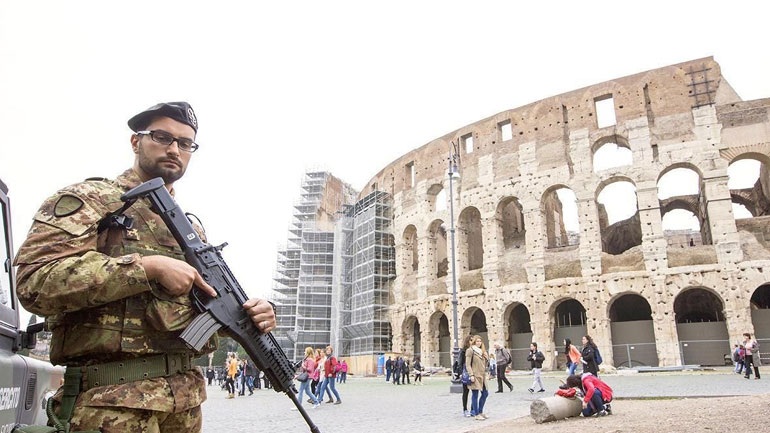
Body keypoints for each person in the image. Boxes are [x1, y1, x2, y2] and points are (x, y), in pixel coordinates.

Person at [14, 101, 277, 432]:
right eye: (162, 137)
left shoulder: (190, 229)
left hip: (183, 407)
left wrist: (249, 314)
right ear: (135, 142)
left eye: (185, 143)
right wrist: (145, 268)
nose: (174, 149)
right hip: (109, 403)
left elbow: (198, 310)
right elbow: (34, 283)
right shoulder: (90, 200)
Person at [465, 335, 490, 421]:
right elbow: (467, 364)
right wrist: (471, 375)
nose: (479, 343)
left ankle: (480, 411)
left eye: (480, 341)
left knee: (485, 393)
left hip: (482, 375)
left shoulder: (482, 351)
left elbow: (485, 365)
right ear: (474, 342)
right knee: (475, 394)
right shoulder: (470, 350)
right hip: (475, 375)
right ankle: (476, 413)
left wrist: (487, 358)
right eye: (477, 341)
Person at [456, 335, 473, 417]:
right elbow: (459, 363)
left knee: (475, 391)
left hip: (474, 372)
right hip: (466, 373)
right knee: (466, 392)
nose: (472, 342)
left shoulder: (474, 350)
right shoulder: (463, 351)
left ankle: (473, 409)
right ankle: (465, 409)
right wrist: (461, 373)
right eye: (471, 340)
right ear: (467, 341)